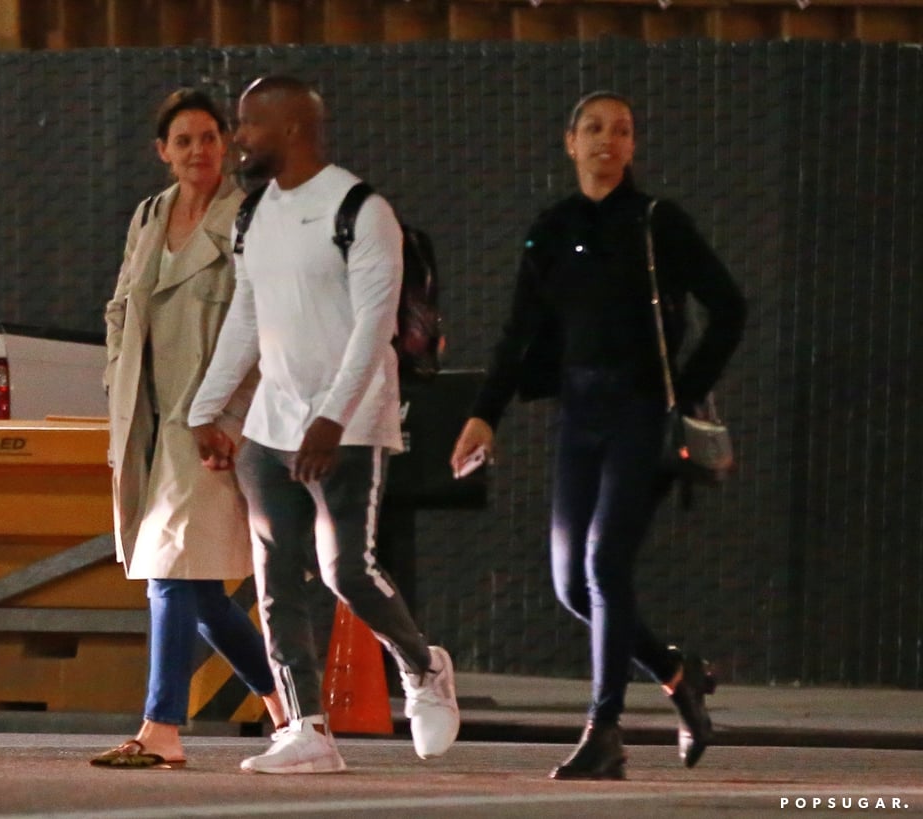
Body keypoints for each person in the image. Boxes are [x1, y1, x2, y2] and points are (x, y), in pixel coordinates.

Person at [450, 90, 746, 780]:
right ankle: (677, 673)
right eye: (593, 128)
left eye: (621, 130)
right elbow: (517, 335)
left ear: (633, 147)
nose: (606, 140)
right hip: (579, 416)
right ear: (570, 141)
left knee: (605, 565)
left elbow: (729, 306)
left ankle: (603, 729)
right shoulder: (551, 230)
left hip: (642, 414)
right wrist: (483, 414)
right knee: (572, 586)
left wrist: (684, 383)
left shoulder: (657, 222)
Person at [188, 74, 459, 775]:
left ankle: (423, 665)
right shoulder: (255, 215)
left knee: (347, 571)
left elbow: (375, 328)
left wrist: (331, 419)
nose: (237, 138)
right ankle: (306, 728)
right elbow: (246, 319)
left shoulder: (361, 209)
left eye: (248, 124)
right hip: (270, 426)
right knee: (276, 576)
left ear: (292, 129)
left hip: (350, 426)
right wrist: (205, 408)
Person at [92, 88, 285, 769]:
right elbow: (122, 304)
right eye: (184, 140)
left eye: (208, 137)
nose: (198, 150)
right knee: (198, 585)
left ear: (227, 143)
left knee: (170, 571)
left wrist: (229, 417)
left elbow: (261, 328)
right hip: (148, 417)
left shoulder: (250, 219)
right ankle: (287, 698)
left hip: (209, 422)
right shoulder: (150, 217)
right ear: (163, 152)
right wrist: (119, 384)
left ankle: (161, 727)